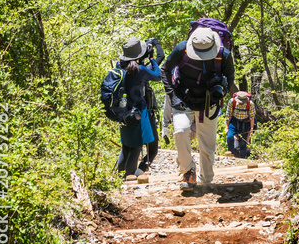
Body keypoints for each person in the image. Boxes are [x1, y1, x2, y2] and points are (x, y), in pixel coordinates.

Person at [160, 25, 235, 190]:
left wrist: (221, 91)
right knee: (180, 131)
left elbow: (230, 77)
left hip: (208, 103)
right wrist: (173, 96)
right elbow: (164, 70)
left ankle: (206, 181)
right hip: (182, 98)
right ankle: (188, 172)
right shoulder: (182, 49)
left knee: (207, 146)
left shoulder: (224, 55)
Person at [101, 36, 163, 178]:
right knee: (135, 147)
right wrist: (152, 59)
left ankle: (120, 180)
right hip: (138, 114)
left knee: (126, 147)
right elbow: (158, 75)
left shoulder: (119, 66)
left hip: (122, 113)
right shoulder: (139, 70)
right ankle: (129, 179)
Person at [225, 90, 256, 158]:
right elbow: (228, 115)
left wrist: (251, 128)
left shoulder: (250, 104)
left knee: (243, 141)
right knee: (230, 137)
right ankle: (231, 155)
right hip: (234, 121)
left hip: (245, 122)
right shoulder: (232, 102)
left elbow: (252, 117)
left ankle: (243, 158)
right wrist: (227, 127)